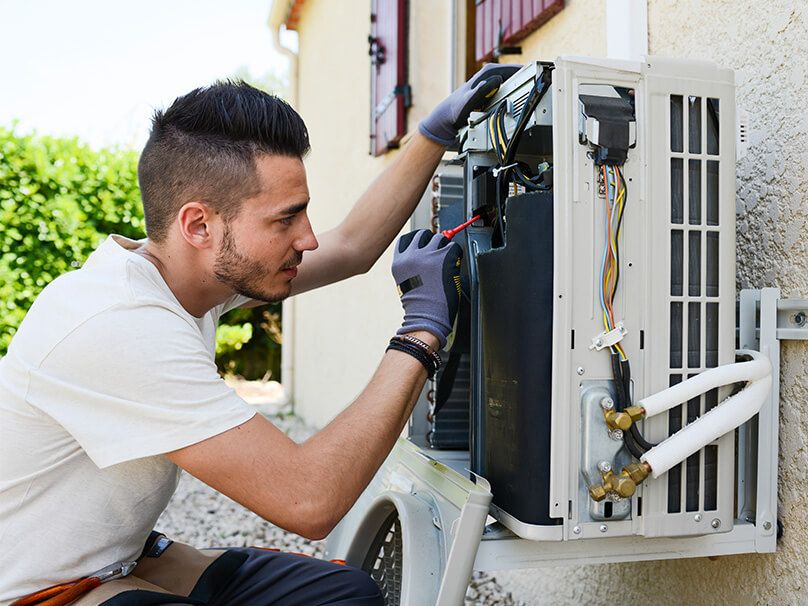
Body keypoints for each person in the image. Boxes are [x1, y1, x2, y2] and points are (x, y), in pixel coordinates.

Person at [0, 64, 518, 605]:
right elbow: (309, 500)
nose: (308, 238)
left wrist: (432, 135)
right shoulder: (120, 324)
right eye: (285, 219)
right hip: (41, 591)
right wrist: (421, 330)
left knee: (344, 595)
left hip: (117, 560)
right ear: (199, 225)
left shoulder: (185, 276)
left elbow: (352, 247)